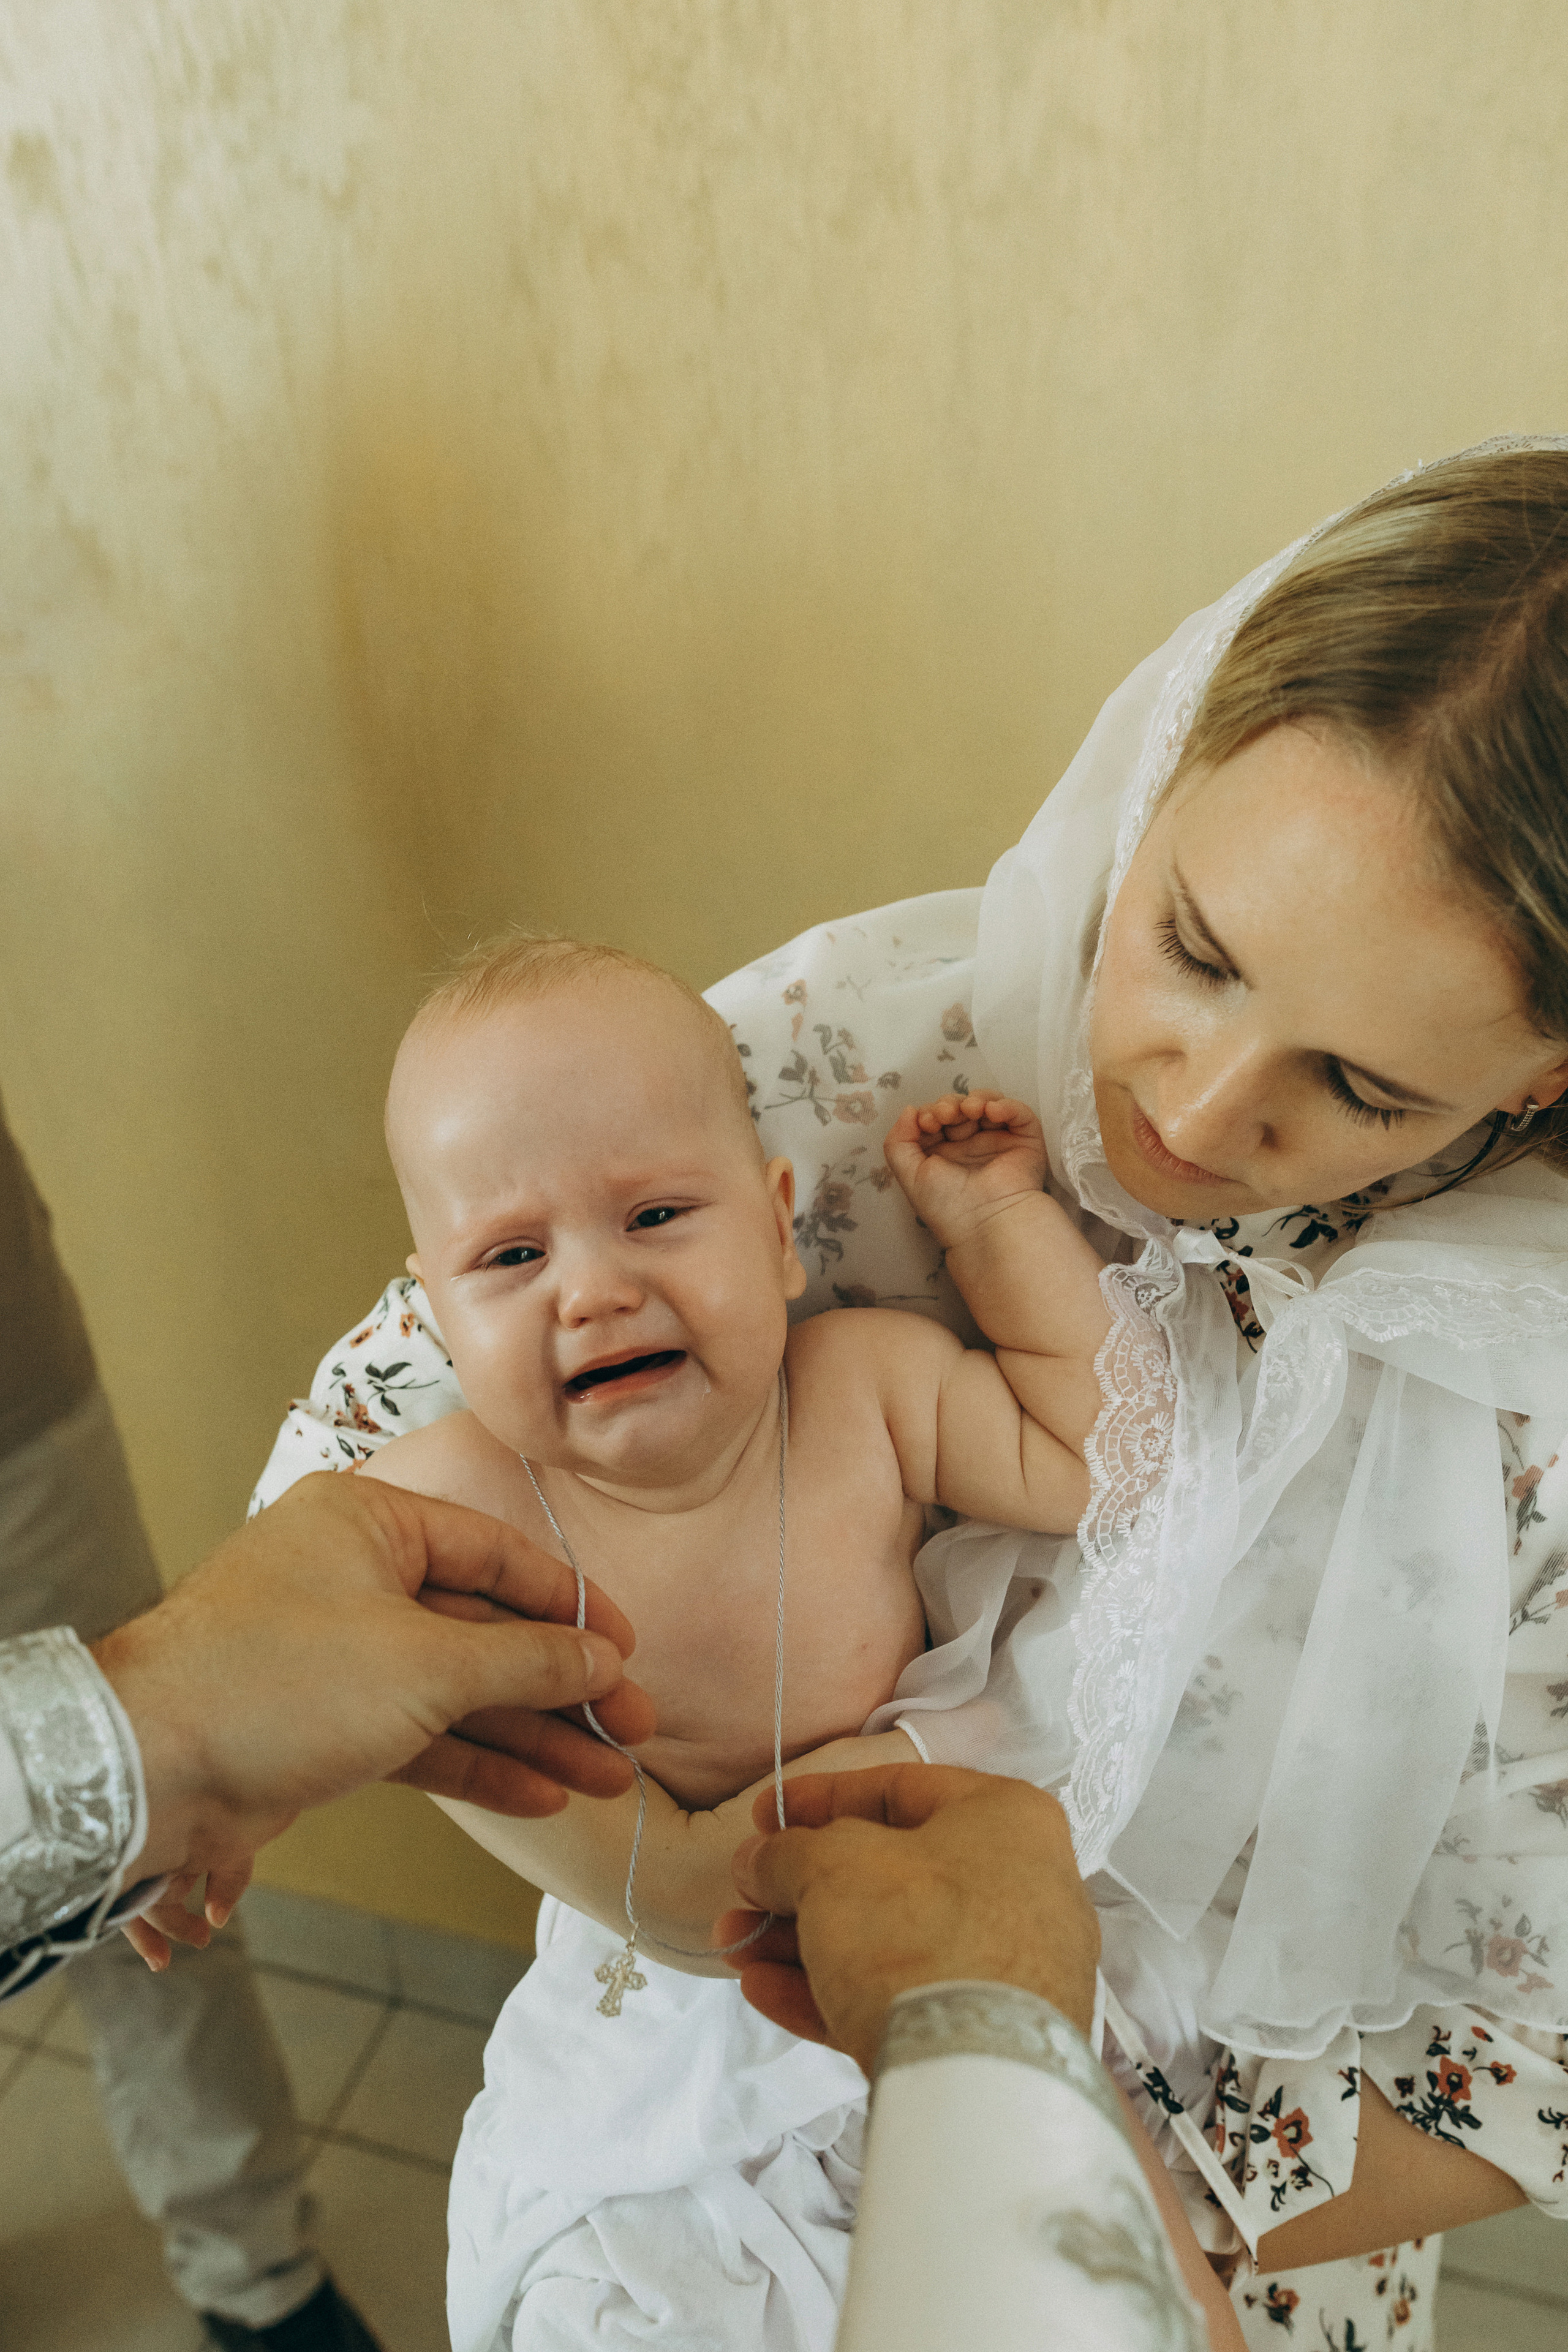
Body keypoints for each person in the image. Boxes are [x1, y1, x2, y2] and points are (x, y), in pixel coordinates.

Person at [258, 436, 1568, 2352]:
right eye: (1192, 947)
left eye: (1366, 1091)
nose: (1198, 1113)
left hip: (1223, 2248)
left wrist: (1051, 2180)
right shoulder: (842, 1064)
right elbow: (349, 1520)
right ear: (1172, 757)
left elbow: (1539, 2054)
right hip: (705, 2080)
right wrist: (678, 1876)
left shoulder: (1532, 1393)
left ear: (1536, 1083)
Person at [356, 932, 1136, 2347]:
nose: (588, 1289)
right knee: (626, 2286)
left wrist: (993, 1226)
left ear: (780, 1230)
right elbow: (656, 1890)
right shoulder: (458, 1512)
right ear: (435, 1313)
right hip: (657, 1987)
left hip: (925, 1909)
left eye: (654, 1216)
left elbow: (1098, 1463)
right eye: (512, 1256)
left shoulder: (867, 1394)